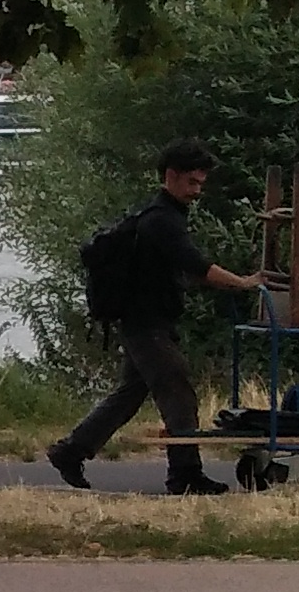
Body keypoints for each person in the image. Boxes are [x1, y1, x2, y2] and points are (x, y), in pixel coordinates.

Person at [48, 140, 265, 497]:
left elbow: (185, 268)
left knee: (129, 395)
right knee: (178, 394)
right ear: (171, 177)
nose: (197, 191)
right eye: (192, 183)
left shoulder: (160, 217)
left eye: (201, 184)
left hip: (148, 321)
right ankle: (185, 475)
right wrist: (243, 283)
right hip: (146, 323)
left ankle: (70, 450)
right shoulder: (161, 221)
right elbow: (197, 266)